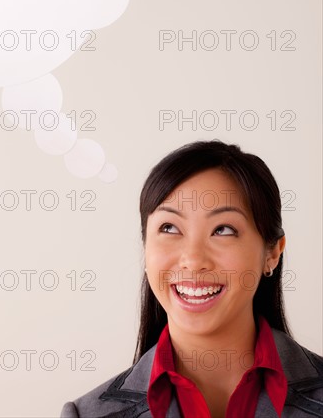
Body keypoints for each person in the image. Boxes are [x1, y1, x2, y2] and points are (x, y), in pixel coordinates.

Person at [60, 140, 323, 418]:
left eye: (223, 230)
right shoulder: (86, 414)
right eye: (169, 227)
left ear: (272, 253)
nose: (193, 260)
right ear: (145, 246)